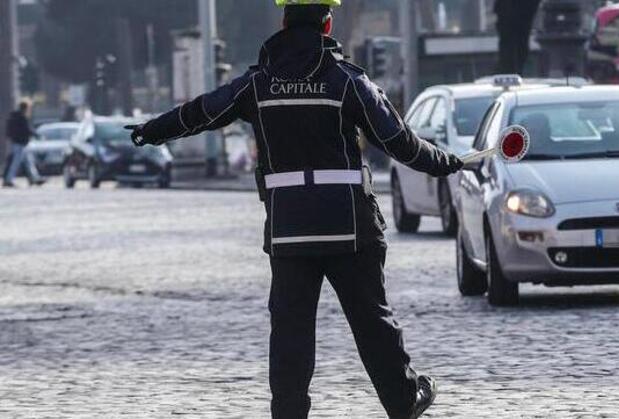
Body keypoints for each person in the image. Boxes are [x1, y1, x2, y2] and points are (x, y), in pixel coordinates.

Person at [125, 1, 463, 418]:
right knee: (372, 319)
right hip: (349, 227)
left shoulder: (257, 84)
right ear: (328, 22)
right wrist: (448, 162)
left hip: (290, 228)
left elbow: (202, 112)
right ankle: (402, 399)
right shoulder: (347, 81)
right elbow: (399, 142)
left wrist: (150, 131)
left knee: (290, 332)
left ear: (283, 22)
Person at [3, 101, 45, 188]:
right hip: (19, 144)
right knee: (15, 163)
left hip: (18, 143)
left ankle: (34, 178)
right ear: (25, 108)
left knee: (29, 162)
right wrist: (36, 135)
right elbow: (27, 129)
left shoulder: (14, 116)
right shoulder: (21, 118)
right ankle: (8, 180)